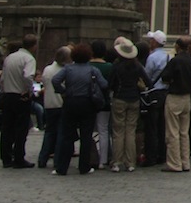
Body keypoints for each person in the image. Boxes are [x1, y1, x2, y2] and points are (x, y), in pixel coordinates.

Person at [51, 42, 108, 176]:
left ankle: (62, 167)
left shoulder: (68, 69)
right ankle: (84, 166)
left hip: (70, 102)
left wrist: (63, 91)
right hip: (87, 103)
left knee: (66, 135)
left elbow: (55, 80)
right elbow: (104, 84)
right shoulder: (93, 70)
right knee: (86, 136)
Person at [109, 38, 151, 173]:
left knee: (118, 131)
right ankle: (130, 162)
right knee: (131, 131)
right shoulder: (137, 66)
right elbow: (149, 82)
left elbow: (110, 84)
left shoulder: (116, 66)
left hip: (119, 98)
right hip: (134, 99)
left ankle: (116, 162)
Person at [159, 35, 191, 173]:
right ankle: (185, 161)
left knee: (172, 132)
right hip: (187, 97)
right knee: (184, 132)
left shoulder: (176, 61)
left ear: (177, 46)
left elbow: (165, 77)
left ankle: (174, 163)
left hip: (175, 96)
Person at [0, 34, 38, 168]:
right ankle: (18, 157)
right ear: (34, 46)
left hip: (8, 95)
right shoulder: (29, 59)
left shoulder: (10, 57)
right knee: (21, 129)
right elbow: (28, 76)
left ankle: (6, 157)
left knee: (7, 128)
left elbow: (2, 78)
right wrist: (29, 90)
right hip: (21, 96)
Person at [37, 47, 71, 169]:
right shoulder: (66, 71)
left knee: (49, 133)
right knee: (61, 134)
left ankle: (42, 159)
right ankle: (58, 160)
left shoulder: (47, 69)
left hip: (49, 104)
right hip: (61, 104)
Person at [141, 30, 169, 167]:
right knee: (162, 126)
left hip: (154, 92)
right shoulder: (168, 57)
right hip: (165, 93)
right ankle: (162, 154)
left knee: (151, 126)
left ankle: (150, 156)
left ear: (154, 42)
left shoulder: (152, 58)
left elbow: (147, 75)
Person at [90, 40, 113, 169]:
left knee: (88, 131)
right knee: (103, 130)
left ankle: (90, 156)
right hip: (104, 101)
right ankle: (103, 160)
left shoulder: (87, 65)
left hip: (89, 102)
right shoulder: (109, 67)